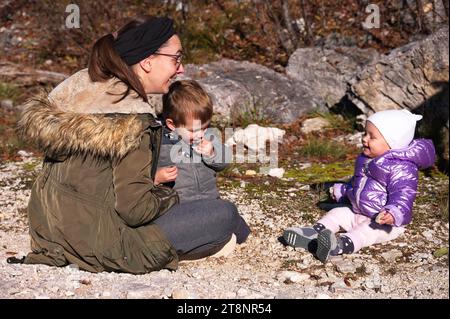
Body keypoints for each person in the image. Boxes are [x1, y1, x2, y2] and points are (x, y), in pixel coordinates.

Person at [16, 16, 249, 274]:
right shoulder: (132, 119)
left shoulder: (84, 88)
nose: (181, 69)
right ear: (148, 62)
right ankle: (199, 248)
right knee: (224, 214)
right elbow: (135, 211)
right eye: (176, 59)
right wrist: (171, 196)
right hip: (105, 244)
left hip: (53, 232)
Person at [283, 109, 436, 263]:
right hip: (357, 212)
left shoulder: (402, 168)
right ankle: (313, 232)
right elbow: (358, 183)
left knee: (365, 232)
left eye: (372, 137)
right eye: (365, 133)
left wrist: (393, 213)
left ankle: (338, 245)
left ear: (392, 143)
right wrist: (342, 191)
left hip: (383, 223)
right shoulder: (365, 159)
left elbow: (404, 194)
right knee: (337, 213)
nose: (364, 139)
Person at [155, 79, 231, 202]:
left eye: (204, 128)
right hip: (178, 206)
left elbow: (224, 162)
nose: (200, 134)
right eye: (193, 130)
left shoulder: (207, 137)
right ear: (172, 125)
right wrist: (157, 177)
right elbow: (140, 175)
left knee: (231, 213)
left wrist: (212, 153)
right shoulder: (159, 141)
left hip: (210, 200)